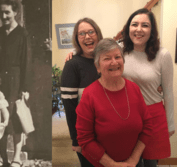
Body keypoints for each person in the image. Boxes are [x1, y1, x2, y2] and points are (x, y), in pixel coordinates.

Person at [76, 38, 152, 167]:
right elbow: (85, 139)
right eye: (106, 58)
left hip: (134, 163)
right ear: (97, 67)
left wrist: (133, 160)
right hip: (101, 164)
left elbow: (147, 126)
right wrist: (111, 164)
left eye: (117, 57)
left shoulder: (134, 89)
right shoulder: (89, 95)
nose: (114, 62)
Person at [122, 8, 175, 166]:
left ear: (152, 30)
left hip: (153, 116)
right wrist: (73, 54)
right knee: (132, 161)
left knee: (151, 162)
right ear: (128, 28)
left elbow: (168, 93)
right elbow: (96, 55)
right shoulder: (119, 50)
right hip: (127, 115)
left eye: (145, 25)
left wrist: (170, 123)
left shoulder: (162, 55)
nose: (138, 29)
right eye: (134, 24)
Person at [0, 0, 31, 166]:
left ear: (15, 12)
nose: (4, 16)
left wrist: (25, 88)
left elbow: (26, 62)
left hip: (15, 80)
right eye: (1, 13)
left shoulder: (22, 34)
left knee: (15, 119)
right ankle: (1, 158)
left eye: (7, 12)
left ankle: (16, 158)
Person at [60, 17, 102, 166]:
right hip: (87, 136)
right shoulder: (72, 65)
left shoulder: (106, 60)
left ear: (98, 34)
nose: (87, 37)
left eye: (91, 32)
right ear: (77, 39)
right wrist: (76, 140)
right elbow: (70, 106)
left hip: (109, 133)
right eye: (82, 34)